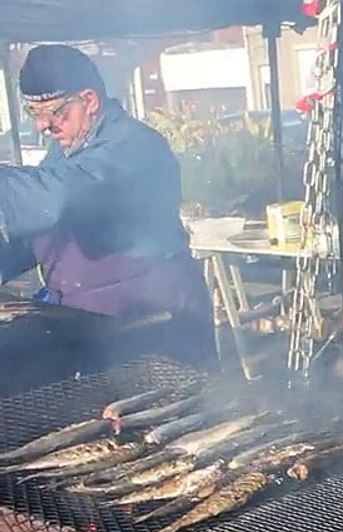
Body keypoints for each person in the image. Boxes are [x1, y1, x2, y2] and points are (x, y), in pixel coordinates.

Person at [0, 44, 215, 366]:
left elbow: (58, 199)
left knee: (163, 411)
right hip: (88, 320)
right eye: (34, 113)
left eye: (54, 112)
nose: (42, 126)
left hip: (153, 319)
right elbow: (44, 231)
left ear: (89, 100)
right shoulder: (68, 147)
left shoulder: (134, 145)